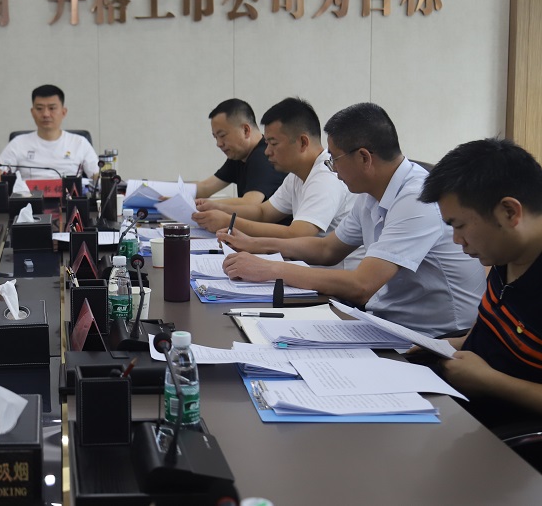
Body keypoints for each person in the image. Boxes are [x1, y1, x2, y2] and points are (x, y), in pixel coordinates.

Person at [221, 102, 484, 337]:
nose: (332, 169)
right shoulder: (371, 194)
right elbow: (327, 249)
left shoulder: (416, 199)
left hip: (431, 338)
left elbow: (362, 285)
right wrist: (257, 245)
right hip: (386, 322)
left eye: (334, 160)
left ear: (364, 158)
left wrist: (271, 269)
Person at [417, 138, 542, 429]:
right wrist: (447, 344)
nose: (456, 240)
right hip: (459, 395)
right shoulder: (505, 252)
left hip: (504, 431)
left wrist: (489, 381)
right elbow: (494, 327)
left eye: (459, 225)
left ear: (509, 212)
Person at [192, 97, 354, 238]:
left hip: (329, 265)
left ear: (303, 142)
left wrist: (229, 222)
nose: (267, 152)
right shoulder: (296, 175)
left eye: (274, 143)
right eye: (267, 143)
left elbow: (297, 234)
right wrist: (219, 208)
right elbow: (263, 212)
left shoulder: (325, 177)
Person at [0, 84, 99, 180]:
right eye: (39, 109)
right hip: (28, 195)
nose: (46, 114)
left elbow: (98, 178)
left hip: (69, 195)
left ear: (63, 112)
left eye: (52, 108)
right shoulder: (18, 143)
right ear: (32, 112)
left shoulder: (79, 143)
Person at [195, 98, 285, 205]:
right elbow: (205, 187)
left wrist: (206, 205)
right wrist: (177, 192)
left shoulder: (263, 157)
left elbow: (250, 203)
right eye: (216, 137)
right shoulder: (239, 155)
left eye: (222, 135)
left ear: (245, 130)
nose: (219, 144)